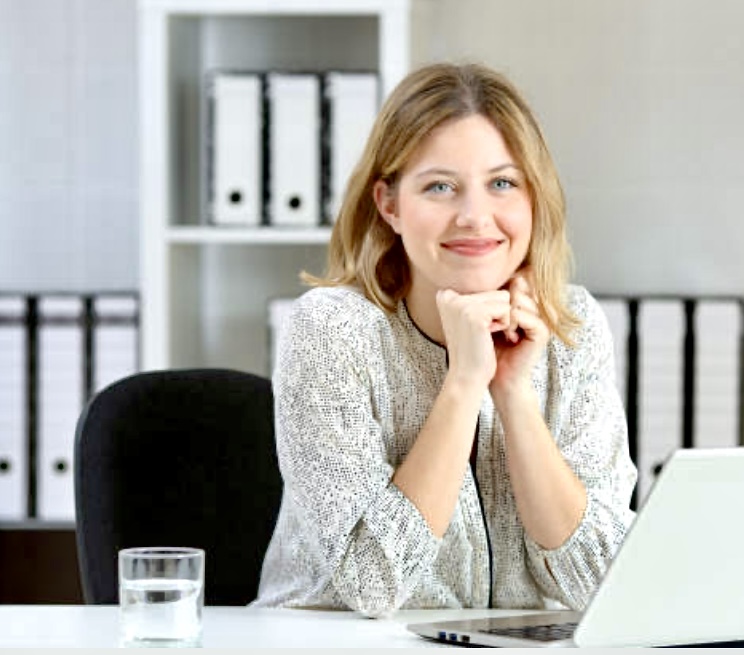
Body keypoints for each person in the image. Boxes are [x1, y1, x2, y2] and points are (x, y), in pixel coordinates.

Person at [252, 61, 637, 617]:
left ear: (533, 199)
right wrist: (463, 383)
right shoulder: (331, 331)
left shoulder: (571, 322)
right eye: (440, 187)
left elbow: (607, 586)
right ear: (390, 205)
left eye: (502, 183)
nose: (475, 217)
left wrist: (513, 393)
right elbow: (372, 582)